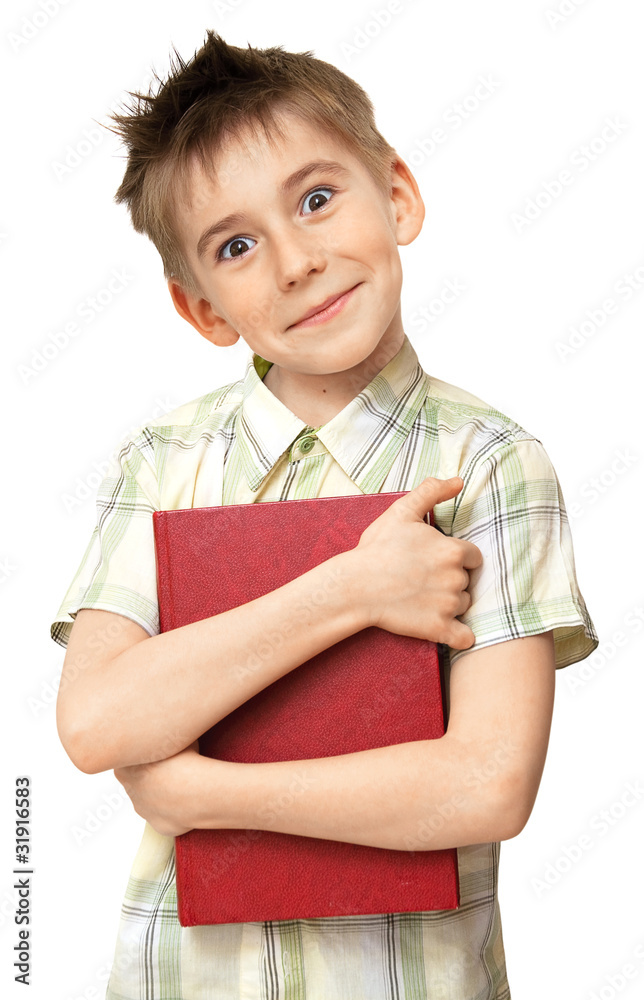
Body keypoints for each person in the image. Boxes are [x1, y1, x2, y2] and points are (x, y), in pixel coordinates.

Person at [50, 29, 598, 1000]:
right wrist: (349, 591)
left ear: (397, 196)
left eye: (315, 199)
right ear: (203, 309)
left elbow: (486, 784)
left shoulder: (489, 463)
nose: (296, 262)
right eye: (236, 245)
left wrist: (204, 794)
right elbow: (96, 721)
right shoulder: (163, 463)